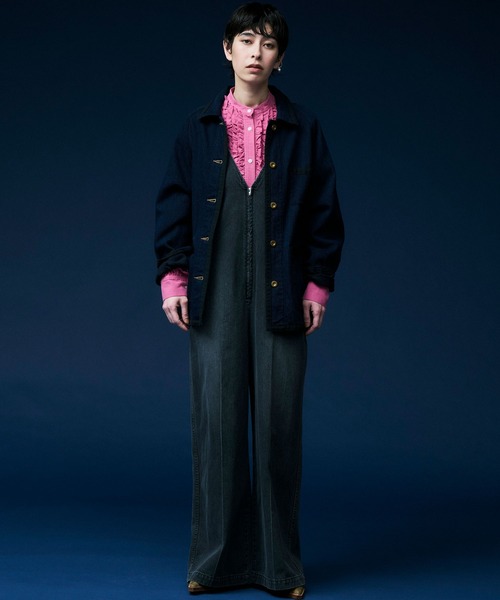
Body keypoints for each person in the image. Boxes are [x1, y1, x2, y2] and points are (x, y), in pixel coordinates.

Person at [155, 3, 344, 598]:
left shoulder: (303, 128)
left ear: (280, 58)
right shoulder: (198, 128)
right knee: (217, 428)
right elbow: (174, 205)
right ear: (227, 49)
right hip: (211, 297)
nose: (256, 52)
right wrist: (173, 279)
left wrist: (317, 286)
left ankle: (280, 567)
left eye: (267, 43)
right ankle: (213, 564)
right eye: (246, 40)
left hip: (283, 295)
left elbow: (324, 213)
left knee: (278, 430)